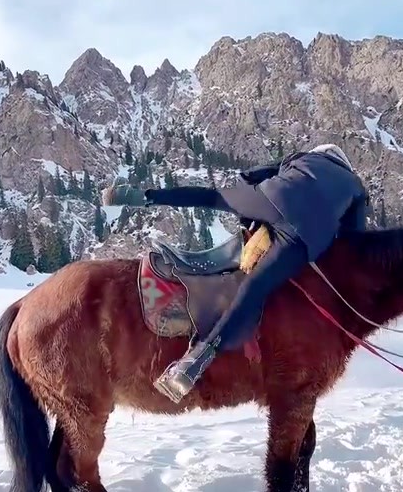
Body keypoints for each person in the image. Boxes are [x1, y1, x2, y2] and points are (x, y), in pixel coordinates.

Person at [102, 144, 368, 403]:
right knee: (255, 289)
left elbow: (248, 176)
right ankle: (194, 362)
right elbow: (354, 244)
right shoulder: (355, 186)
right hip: (306, 235)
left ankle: (144, 197)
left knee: (212, 197)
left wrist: (250, 220)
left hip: (271, 197)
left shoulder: (301, 159)